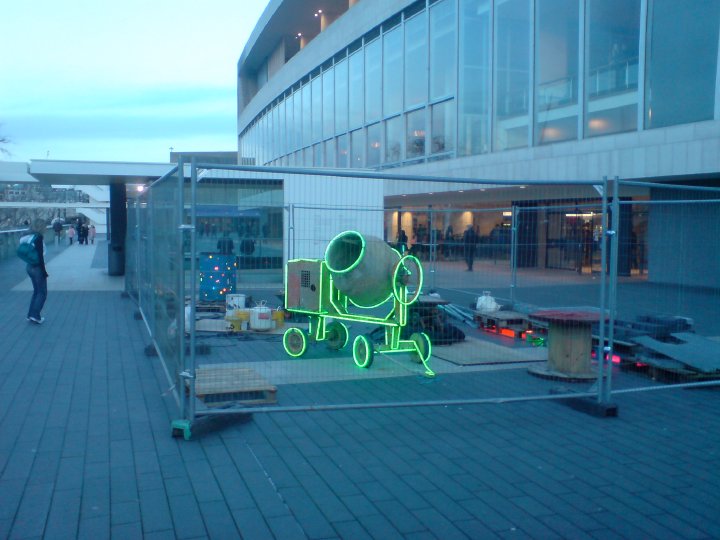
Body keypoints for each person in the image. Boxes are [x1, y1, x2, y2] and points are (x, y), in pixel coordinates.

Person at [25, 218, 49, 324]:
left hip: (29, 266)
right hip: (37, 267)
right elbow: (40, 256)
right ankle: (35, 315)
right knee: (42, 292)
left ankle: (31, 314)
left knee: (36, 291)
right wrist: (44, 271)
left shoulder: (29, 236)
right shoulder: (38, 238)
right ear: (40, 227)